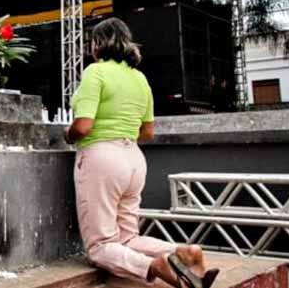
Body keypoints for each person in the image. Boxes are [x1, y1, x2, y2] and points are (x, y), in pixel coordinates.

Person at [64, 18, 219, 287]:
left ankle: (153, 266)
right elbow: (147, 132)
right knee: (127, 238)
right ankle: (183, 253)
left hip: (102, 158)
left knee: (100, 246)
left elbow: (84, 125)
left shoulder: (95, 72)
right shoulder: (140, 79)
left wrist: (68, 134)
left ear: (98, 44)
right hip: (133, 159)